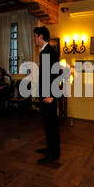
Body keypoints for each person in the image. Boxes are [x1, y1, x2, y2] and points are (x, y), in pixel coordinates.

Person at [33, 26, 61, 164]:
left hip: (50, 96)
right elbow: (45, 76)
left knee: (52, 126)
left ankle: (53, 154)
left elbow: (56, 75)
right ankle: (50, 148)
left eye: (35, 36)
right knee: (48, 124)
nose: (34, 39)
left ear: (41, 36)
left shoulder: (49, 52)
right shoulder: (45, 51)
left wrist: (52, 96)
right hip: (45, 94)